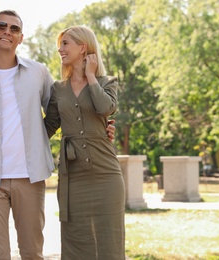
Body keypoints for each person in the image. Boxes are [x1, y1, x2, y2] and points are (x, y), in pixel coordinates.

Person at [0, 10, 115, 259]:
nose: (7, 31)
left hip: (30, 177)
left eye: (14, 28)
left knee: (32, 253)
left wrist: (99, 129)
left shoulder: (38, 73)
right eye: (1, 26)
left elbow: (62, 112)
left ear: (21, 38)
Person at [44, 25, 126, 260]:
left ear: (83, 47)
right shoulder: (57, 89)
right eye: (60, 45)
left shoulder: (107, 82)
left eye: (65, 43)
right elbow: (48, 126)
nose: (60, 49)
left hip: (106, 174)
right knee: (75, 241)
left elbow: (105, 107)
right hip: (74, 177)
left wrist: (90, 76)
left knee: (110, 241)